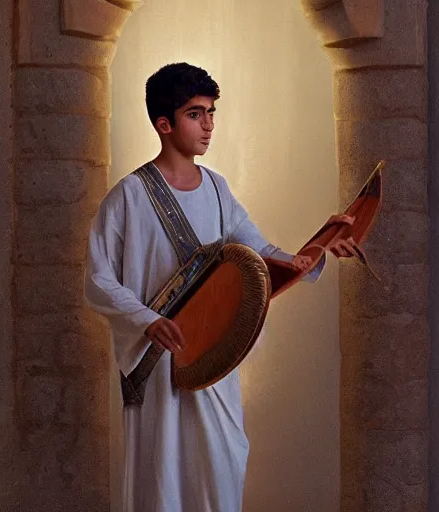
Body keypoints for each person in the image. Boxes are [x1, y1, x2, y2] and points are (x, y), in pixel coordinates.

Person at [85, 62, 355, 512]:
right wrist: (148, 321)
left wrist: (320, 244)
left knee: (222, 470)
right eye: (196, 114)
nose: (209, 125)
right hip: (157, 367)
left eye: (211, 112)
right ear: (164, 123)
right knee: (162, 479)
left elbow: (263, 255)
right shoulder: (128, 197)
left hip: (212, 362)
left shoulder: (217, 189)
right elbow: (98, 279)